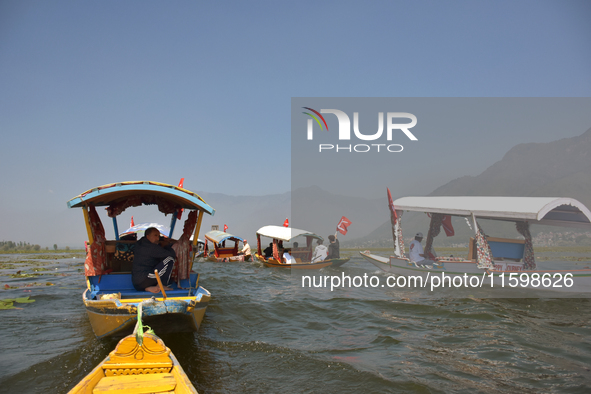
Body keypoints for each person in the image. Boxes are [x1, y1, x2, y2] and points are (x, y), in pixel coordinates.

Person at [132, 227, 176, 293]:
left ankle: (147, 288)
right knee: (170, 259)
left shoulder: (140, 244)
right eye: (155, 235)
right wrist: (166, 246)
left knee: (170, 282)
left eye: (159, 236)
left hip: (137, 284)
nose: (157, 239)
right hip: (145, 278)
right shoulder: (151, 247)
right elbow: (171, 254)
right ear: (148, 236)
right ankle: (162, 285)